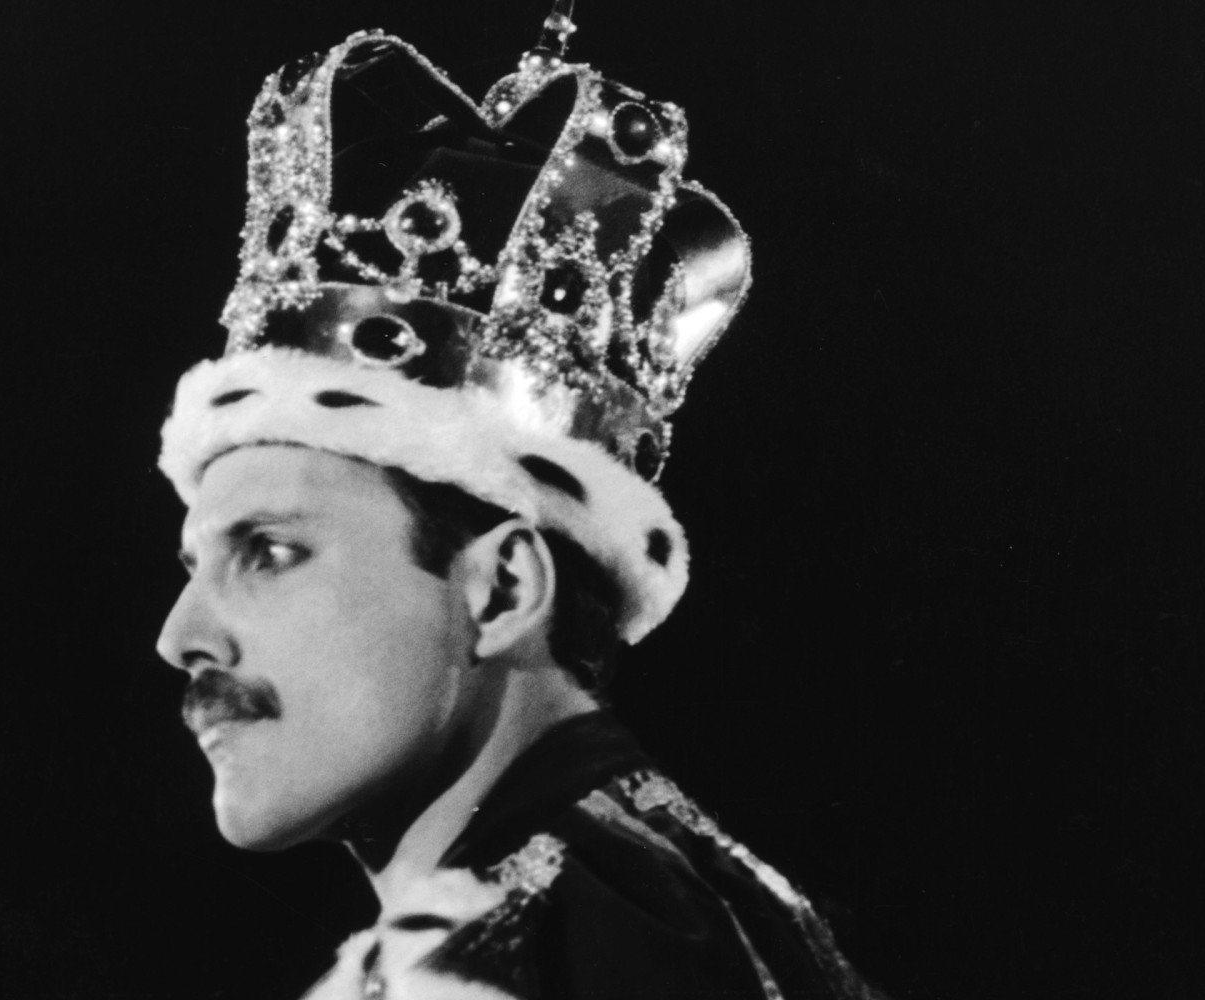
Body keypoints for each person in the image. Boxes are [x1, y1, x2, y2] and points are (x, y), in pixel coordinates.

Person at [155, 13, 884, 999]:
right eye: (193, 565)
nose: (181, 635)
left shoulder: (528, 955)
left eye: (270, 552)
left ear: (500, 588)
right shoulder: (666, 899)